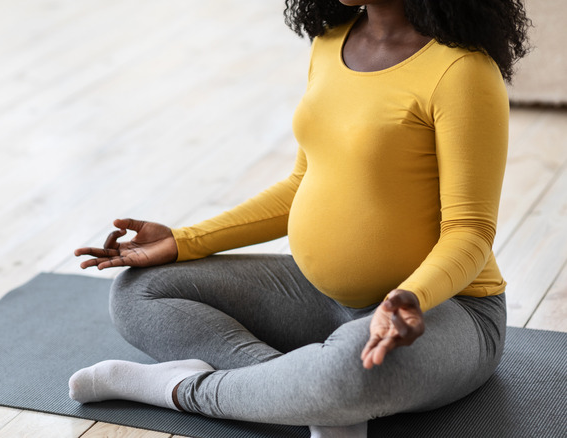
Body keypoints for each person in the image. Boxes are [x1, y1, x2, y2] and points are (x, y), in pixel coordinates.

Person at [68, 0, 530, 436]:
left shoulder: (462, 71)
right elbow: (301, 185)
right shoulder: (330, 42)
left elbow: (471, 233)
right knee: (138, 291)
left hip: (436, 310)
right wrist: (183, 240)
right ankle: (304, 396)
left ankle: (175, 389)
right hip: (319, 297)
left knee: (352, 370)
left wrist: (411, 296)